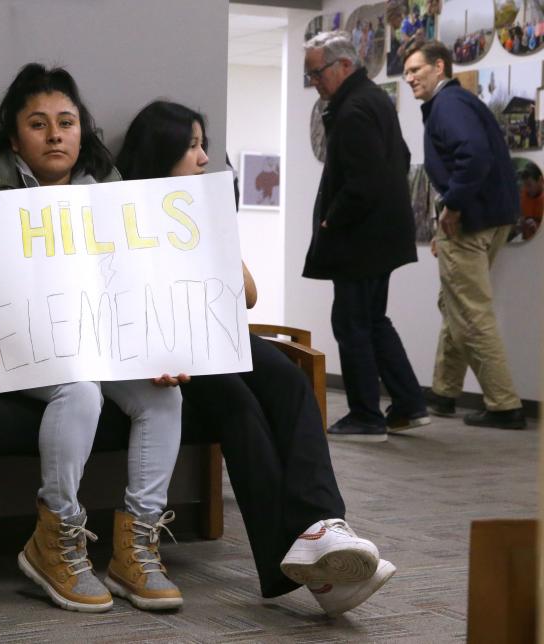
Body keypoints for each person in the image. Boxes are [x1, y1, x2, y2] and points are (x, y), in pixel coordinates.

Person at [0, 63, 185, 613]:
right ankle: (54, 540)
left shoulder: (113, 193)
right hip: (15, 349)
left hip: (100, 340)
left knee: (163, 394)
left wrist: (162, 347)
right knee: (79, 389)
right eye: (38, 124)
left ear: (83, 131)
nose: (55, 134)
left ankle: (137, 549)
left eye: (66, 121)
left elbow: (144, 279)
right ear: (15, 137)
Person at [115, 100, 395, 617]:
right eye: (193, 145)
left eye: (204, 144)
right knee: (239, 405)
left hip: (217, 332)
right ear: (163, 151)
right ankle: (300, 567)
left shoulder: (201, 208)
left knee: (287, 381)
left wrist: (215, 227)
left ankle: (322, 526)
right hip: (166, 344)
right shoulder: (121, 209)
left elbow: (247, 295)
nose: (203, 156)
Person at [303, 31, 429, 441]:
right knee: (373, 320)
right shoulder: (374, 99)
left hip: (361, 238)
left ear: (344, 66)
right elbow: (402, 159)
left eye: (317, 73)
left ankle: (365, 417)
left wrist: (332, 220)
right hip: (384, 235)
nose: (315, 83)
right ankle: (409, 404)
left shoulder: (353, 109)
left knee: (352, 322)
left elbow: (365, 180)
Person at [403, 40, 527, 429]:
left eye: (415, 70)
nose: (408, 78)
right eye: (406, 72)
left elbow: (473, 155)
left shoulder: (448, 106)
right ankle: (444, 391)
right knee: (455, 301)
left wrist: (452, 207)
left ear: (440, 67)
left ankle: (505, 405)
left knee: (471, 311)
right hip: (492, 217)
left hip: (471, 219)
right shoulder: (460, 102)